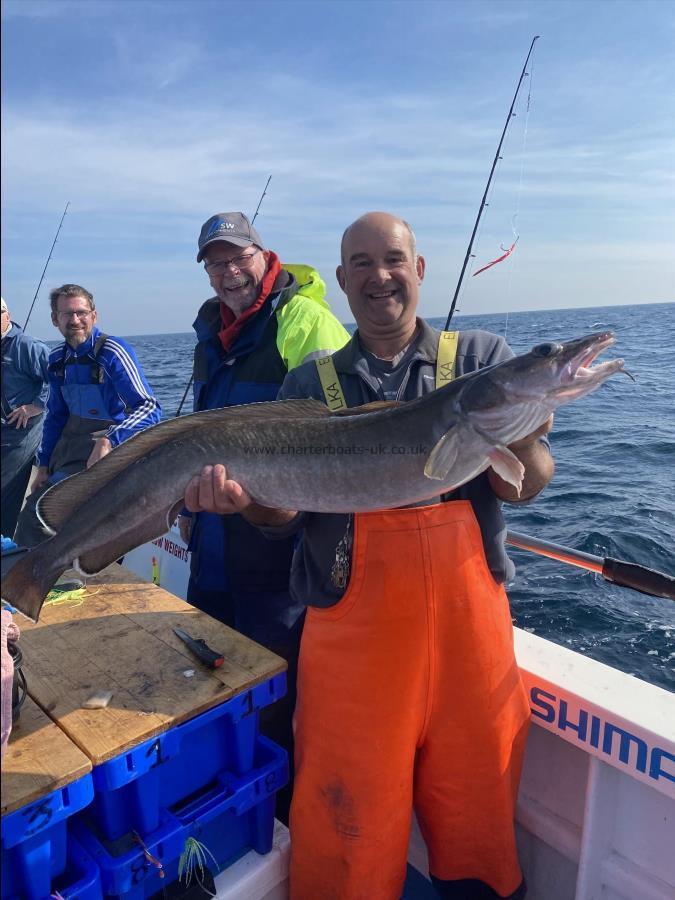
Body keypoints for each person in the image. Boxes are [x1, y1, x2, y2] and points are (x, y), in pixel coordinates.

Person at [183, 212, 554, 899]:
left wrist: (526, 431)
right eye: (360, 263)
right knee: (345, 830)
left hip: (470, 644)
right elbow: (283, 518)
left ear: (417, 270)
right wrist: (246, 501)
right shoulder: (308, 386)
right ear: (343, 280)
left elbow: (528, 486)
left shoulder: (480, 360)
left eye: (392, 260)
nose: (378, 276)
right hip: (349, 645)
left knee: (478, 821)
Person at [178, 211, 349, 819]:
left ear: (263, 253)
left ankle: (275, 823)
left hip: (277, 552)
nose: (229, 272)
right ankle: (220, 805)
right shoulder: (210, 333)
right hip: (213, 546)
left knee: (273, 698)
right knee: (211, 684)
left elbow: (339, 433)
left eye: (238, 257)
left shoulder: (305, 320)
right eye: (215, 262)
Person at [14, 284, 161, 547]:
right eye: (67, 314)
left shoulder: (113, 352)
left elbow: (149, 408)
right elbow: (56, 416)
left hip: (110, 457)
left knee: (73, 520)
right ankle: (33, 581)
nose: (75, 320)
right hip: (71, 456)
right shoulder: (57, 359)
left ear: (94, 315)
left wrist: (109, 440)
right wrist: (44, 466)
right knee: (35, 516)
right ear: (54, 319)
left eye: (81, 313)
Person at [1, 297, 50, 539]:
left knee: (5, 493)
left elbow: (58, 378)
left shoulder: (27, 345)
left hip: (21, 435)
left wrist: (35, 406)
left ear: (6, 315)